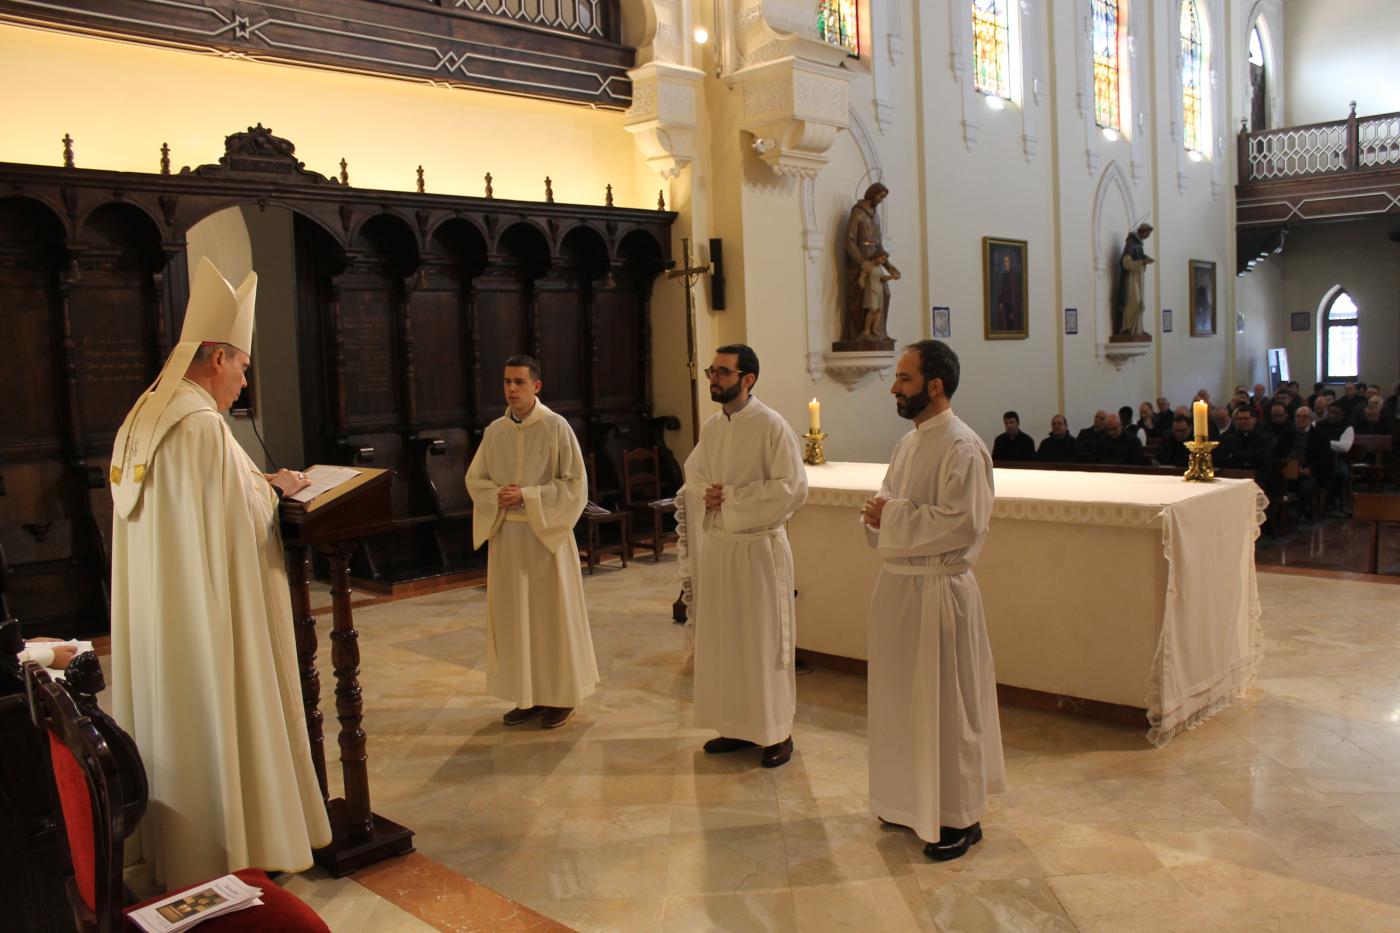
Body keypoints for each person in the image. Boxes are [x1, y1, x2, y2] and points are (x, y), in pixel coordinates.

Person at [108, 258, 331, 890]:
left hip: (163, 614)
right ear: (217, 358)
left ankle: (175, 850)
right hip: (207, 618)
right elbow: (239, 517)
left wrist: (255, 483)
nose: (243, 379)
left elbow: (206, 501)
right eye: (242, 366)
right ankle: (232, 846)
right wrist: (275, 488)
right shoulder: (201, 423)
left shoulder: (149, 413)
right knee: (219, 709)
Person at [860, 340, 1005, 862]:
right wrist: (878, 516)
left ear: (935, 385)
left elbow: (963, 523)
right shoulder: (908, 443)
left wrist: (890, 516)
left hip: (940, 591)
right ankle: (907, 801)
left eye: (904, 378)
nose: (894, 389)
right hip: (900, 587)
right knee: (903, 700)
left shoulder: (963, 446)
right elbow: (887, 502)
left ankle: (960, 816)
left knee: (948, 706)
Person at [679, 344, 807, 768]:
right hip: (722, 549)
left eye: (723, 372)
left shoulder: (772, 426)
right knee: (729, 640)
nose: (714, 379)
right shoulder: (713, 426)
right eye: (712, 371)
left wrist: (731, 498)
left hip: (758, 550)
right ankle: (736, 725)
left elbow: (792, 487)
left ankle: (777, 732)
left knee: (763, 642)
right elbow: (695, 476)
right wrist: (708, 493)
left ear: (747, 379)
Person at [465, 355, 599, 730]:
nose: (512, 389)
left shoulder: (556, 427)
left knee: (552, 619)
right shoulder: (495, 431)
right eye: (507, 381)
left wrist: (527, 496)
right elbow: (475, 480)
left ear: (536, 386)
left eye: (519, 382)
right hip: (508, 538)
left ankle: (563, 696)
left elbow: (575, 485)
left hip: (546, 538)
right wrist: (497, 496)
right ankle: (529, 695)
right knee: (516, 621)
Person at [843, 184, 894, 343]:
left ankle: (878, 332)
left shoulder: (876, 216)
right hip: (861, 259)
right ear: (872, 194)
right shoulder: (858, 212)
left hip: (875, 258)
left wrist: (889, 266)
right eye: (880, 196)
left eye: (883, 197)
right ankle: (862, 333)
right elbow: (849, 241)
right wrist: (862, 262)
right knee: (863, 297)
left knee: (885, 293)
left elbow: (879, 244)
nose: (881, 200)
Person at [1115, 222, 1154, 335]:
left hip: (1139, 276)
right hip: (1131, 277)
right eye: (1147, 234)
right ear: (1141, 232)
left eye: (1149, 234)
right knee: (1134, 301)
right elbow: (1125, 263)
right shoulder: (1131, 244)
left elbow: (1139, 259)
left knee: (1140, 302)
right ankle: (1126, 327)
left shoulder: (1139, 245)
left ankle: (1137, 329)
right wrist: (1142, 262)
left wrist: (1145, 260)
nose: (1147, 236)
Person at [856, 250, 901, 340]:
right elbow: (862, 276)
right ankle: (866, 330)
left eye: (884, 260)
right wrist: (862, 284)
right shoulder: (868, 265)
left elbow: (882, 278)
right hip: (871, 290)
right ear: (877, 256)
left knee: (879, 310)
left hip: (879, 289)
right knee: (873, 309)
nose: (883, 261)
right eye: (882, 259)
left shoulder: (879, 267)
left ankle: (874, 329)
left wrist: (892, 277)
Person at [1217, 407, 1273, 477]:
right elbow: (1220, 459)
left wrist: (1234, 455)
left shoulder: (1264, 439)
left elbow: (1261, 459)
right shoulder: (1229, 439)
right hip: (1232, 475)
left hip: (1258, 477)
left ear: (1254, 420)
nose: (1242, 421)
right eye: (1240, 419)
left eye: (1246, 418)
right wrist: (1244, 462)